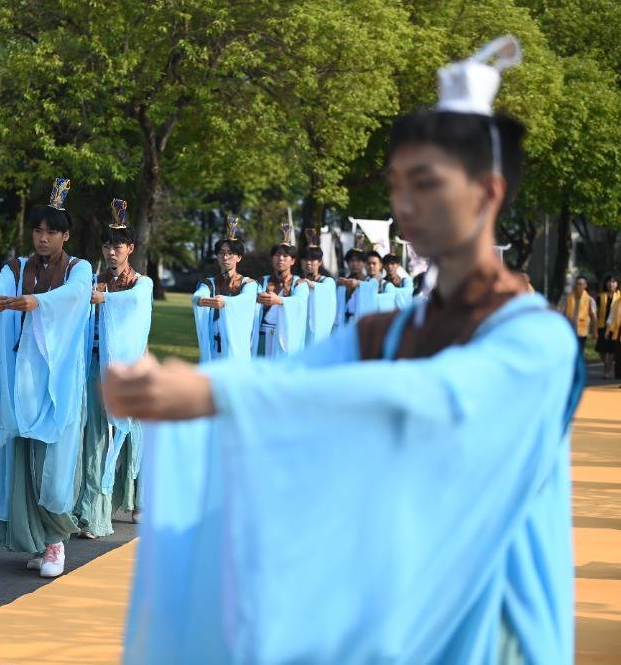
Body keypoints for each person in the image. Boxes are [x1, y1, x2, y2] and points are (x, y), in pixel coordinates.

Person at [104, 37, 584, 663]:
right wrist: (169, 389)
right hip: (400, 610)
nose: (405, 206)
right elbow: (292, 389)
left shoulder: (537, 340)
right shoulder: (395, 332)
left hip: (492, 622)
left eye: (426, 183)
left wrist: (215, 389)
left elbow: (432, 398)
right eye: (396, 186)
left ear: (488, 193)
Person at [0, 178, 92, 578]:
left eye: (51, 231)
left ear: (65, 235)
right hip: (21, 380)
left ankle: (56, 542)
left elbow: (75, 297)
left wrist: (37, 303)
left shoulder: (80, 269)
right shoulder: (17, 267)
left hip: (58, 380)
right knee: (24, 457)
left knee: (55, 460)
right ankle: (34, 537)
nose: (43, 238)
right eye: (38, 230)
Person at [75, 199, 153, 539]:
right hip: (94, 365)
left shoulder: (142, 284)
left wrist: (105, 299)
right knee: (95, 438)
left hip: (127, 367)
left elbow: (134, 304)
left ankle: (136, 498)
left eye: (117, 244)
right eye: (106, 244)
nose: (111, 250)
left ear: (130, 248)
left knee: (129, 435)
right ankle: (92, 512)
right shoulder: (93, 279)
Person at [192, 218, 259, 361]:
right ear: (217, 256)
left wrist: (225, 302)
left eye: (230, 253)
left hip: (237, 337)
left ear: (239, 257)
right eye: (221, 253)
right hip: (215, 336)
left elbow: (245, 299)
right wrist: (201, 300)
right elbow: (199, 295)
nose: (225, 257)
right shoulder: (210, 283)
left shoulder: (249, 284)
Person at [252, 241, 309, 357]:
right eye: (277, 255)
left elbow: (300, 301)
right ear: (272, 258)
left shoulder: (299, 283)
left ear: (292, 261)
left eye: (285, 256)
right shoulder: (262, 281)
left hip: (286, 335)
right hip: (263, 333)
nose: (281, 259)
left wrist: (280, 300)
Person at [298, 245, 336, 344]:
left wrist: (310, 283)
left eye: (313, 259)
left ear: (320, 262)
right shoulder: (296, 280)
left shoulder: (328, 281)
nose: (308, 263)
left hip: (317, 330)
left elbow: (327, 289)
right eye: (305, 259)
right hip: (299, 326)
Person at [334, 248, 377, 326]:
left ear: (364, 263)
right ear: (347, 263)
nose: (354, 264)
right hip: (344, 323)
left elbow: (373, 288)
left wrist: (358, 284)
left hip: (362, 324)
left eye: (358, 261)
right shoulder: (342, 282)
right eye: (351, 261)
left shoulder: (370, 281)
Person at [563, 275, 597, 351]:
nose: (578, 286)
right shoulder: (568, 298)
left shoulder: (590, 300)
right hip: (569, 330)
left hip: (582, 332)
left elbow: (594, 316)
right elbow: (562, 313)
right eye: (576, 284)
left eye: (580, 284)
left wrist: (595, 331)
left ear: (585, 285)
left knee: (579, 352)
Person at [594, 274, 619, 378]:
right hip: (602, 325)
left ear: (617, 284)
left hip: (615, 327)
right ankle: (607, 364)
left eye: (613, 281)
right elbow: (596, 312)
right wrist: (594, 328)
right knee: (601, 349)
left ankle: (607, 372)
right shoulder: (601, 296)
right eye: (609, 281)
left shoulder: (619, 296)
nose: (610, 284)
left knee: (611, 350)